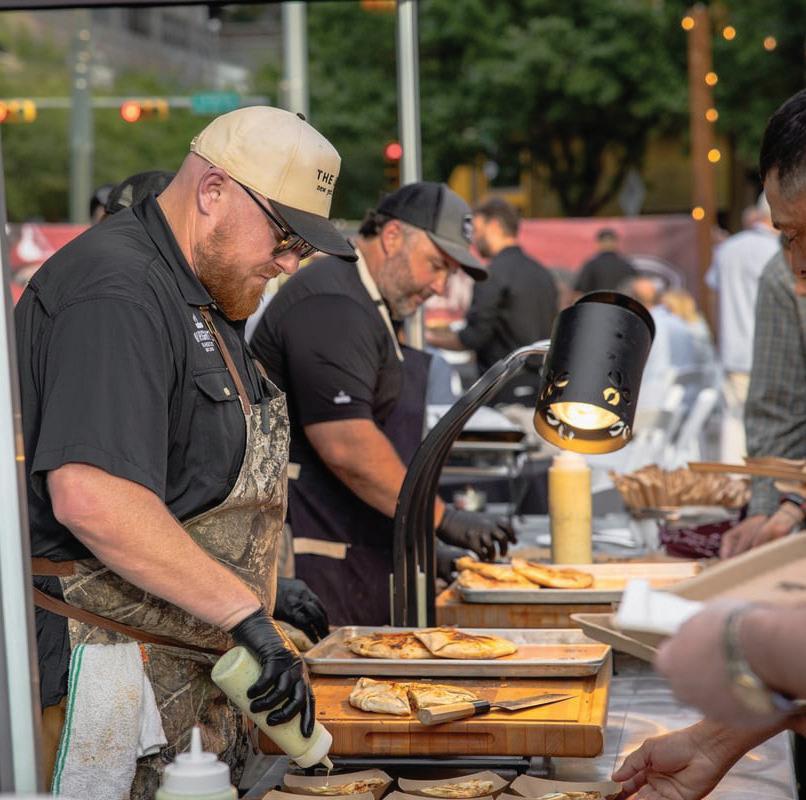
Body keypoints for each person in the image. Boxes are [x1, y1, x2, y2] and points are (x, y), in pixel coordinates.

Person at [20, 106, 354, 795]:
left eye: (303, 249)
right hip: (101, 680)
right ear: (213, 191)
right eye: (285, 237)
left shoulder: (201, 291)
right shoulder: (116, 291)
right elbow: (93, 496)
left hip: (177, 681)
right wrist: (243, 612)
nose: (289, 264)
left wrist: (259, 588)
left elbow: (187, 485)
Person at [613, 88, 806, 800]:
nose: (795, 266)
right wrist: (781, 511)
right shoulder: (783, 279)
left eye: (804, 235)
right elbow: (778, 415)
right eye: (784, 235)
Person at [250, 182, 517, 626]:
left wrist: (422, 544)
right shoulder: (333, 304)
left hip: (356, 551)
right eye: (436, 265)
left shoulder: (370, 303)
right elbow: (347, 444)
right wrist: (440, 518)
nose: (439, 286)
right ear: (392, 236)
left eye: (449, 273)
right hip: (315, 558)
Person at [719, 236, 806, 558]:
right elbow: (778, 407)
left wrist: (795, 504)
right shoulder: (779, 271)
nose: (799, 286)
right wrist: (767, 508)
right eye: (785, 235)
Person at [426, 197, 558, 405]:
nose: (474, 239)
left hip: (503, 392)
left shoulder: (492, 274)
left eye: (477, 230)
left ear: (494, 225)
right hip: (542, 389)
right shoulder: (543, 274)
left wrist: (427, 338)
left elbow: (473, 337)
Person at [707, 192, 780, 462]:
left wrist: (720, 336)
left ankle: (734, 483)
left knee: (733, 424)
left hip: (733, 352)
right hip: (771, 356)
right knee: (774, 428)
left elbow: (712, 298)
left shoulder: (729, 249)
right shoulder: (778, 252)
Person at [573, 227, 636, 294]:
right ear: (615, 243)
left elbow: (580, 290)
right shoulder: (626, 264)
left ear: (599, 243)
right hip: (620, 300)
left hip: (597, 300)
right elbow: (637, 285)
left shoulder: (592, 264)